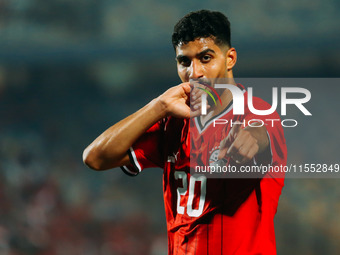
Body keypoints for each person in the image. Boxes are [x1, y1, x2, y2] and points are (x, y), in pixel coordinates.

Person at [83, 10, 287, 255]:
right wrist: (157, 106)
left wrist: (250, 139)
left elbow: (261, 133)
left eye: (206, 58)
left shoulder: (258, 113)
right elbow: (95, 158)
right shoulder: (173, 122)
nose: (195, 72)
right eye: (184, 62)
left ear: (230, 58)